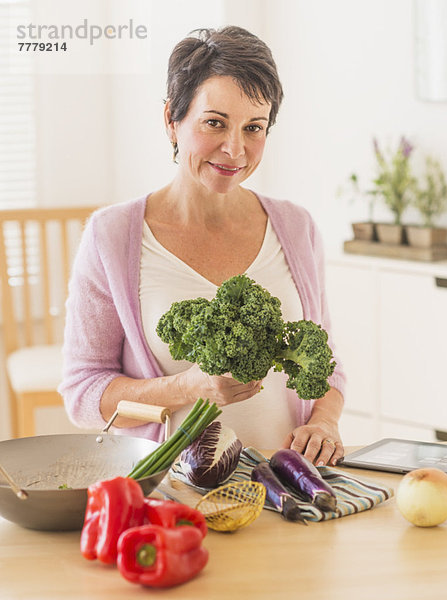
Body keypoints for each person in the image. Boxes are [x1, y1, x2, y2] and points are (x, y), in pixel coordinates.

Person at [59, 26, 346, 466]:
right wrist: (186, 387)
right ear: (172, 119)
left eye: (254, 127)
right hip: (172, 496)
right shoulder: (111, 236)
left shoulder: (296, 227)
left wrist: (324, 422)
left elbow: (324, 365)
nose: (235, 149)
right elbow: (83, 394)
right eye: (215, 122)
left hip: (289, 489)